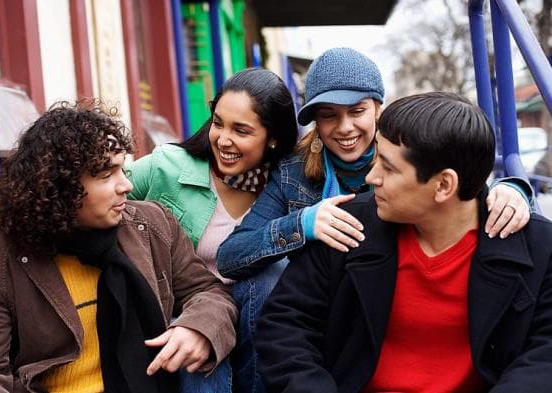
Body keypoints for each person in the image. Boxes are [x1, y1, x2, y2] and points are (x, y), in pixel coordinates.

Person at [256, 92, 552, 393]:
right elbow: (285, 327)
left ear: (444, 185)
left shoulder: (537, 247)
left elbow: (545, 353)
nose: (371, 177)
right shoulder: (344, 225)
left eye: (388, 167)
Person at [0, 103, 237, 393]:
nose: (126, 185)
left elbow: (209, 292)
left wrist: (198, 328)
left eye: (122, 168)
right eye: (106, 174)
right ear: (60, 186)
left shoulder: (153, 224)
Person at [217, 47, 532, 281]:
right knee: (260, 285)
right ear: (314, 121)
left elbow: (459, 190)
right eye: (328, 115)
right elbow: (230, 256)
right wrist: (303, 224)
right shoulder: (293, 172)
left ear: (378, 108)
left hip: (392, 296)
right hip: (319, 302)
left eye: (356, 112)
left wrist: (513, 190)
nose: (344, 128)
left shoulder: (411, 154)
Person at [125, 68, 298, 393]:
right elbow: (98, 188)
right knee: (196, 350)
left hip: (257, 322)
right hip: (184, 313)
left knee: (270, 278)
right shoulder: (168, 166)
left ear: (272, 137)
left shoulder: (289, 186)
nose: (223, 139)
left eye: (241, 131)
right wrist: (6, 223)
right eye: (218, 123)